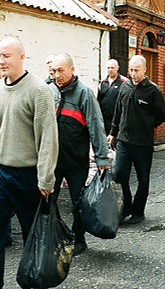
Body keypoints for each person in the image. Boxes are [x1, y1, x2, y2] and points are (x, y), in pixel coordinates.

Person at [0, 37, 58, 289]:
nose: (1, 61)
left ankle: (34, 281)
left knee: (32, 236)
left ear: (22, 57)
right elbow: (0, 127)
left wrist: (45, 178)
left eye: (7, 56)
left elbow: (48, 137)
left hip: (28, 177)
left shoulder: (38, 90)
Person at [49, 53, 109, 255]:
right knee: (48, 200)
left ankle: (79, 239)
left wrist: (102, 158)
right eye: (54, 71)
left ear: (72, 70)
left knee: (77, 204)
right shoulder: (49, 91)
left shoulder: (84, 93)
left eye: (61, 71)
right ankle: (54, 236)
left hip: (76, 161)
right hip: (52, 161)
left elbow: (96, 126)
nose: (57, 75)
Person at [107, 55, 165, 225]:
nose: (133, 74)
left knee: (143, 179)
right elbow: (118, 111)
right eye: (131, 70)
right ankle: (126, 207)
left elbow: (163, 115)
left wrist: (148, 125)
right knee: (120, 174)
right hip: (124, 141)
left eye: (136, 70)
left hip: (143, 143)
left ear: (145, 70)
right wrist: (113, 132)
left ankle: (138, 211)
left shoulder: (153, 90)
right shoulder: (125, 86)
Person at [97, 59, 127, 136]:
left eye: (112, 68)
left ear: (117, 68)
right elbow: (98, 101)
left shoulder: (124, 82)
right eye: (108, 68)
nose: (110, 70)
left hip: (117, 121)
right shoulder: (103, 83)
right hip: (104, 120)